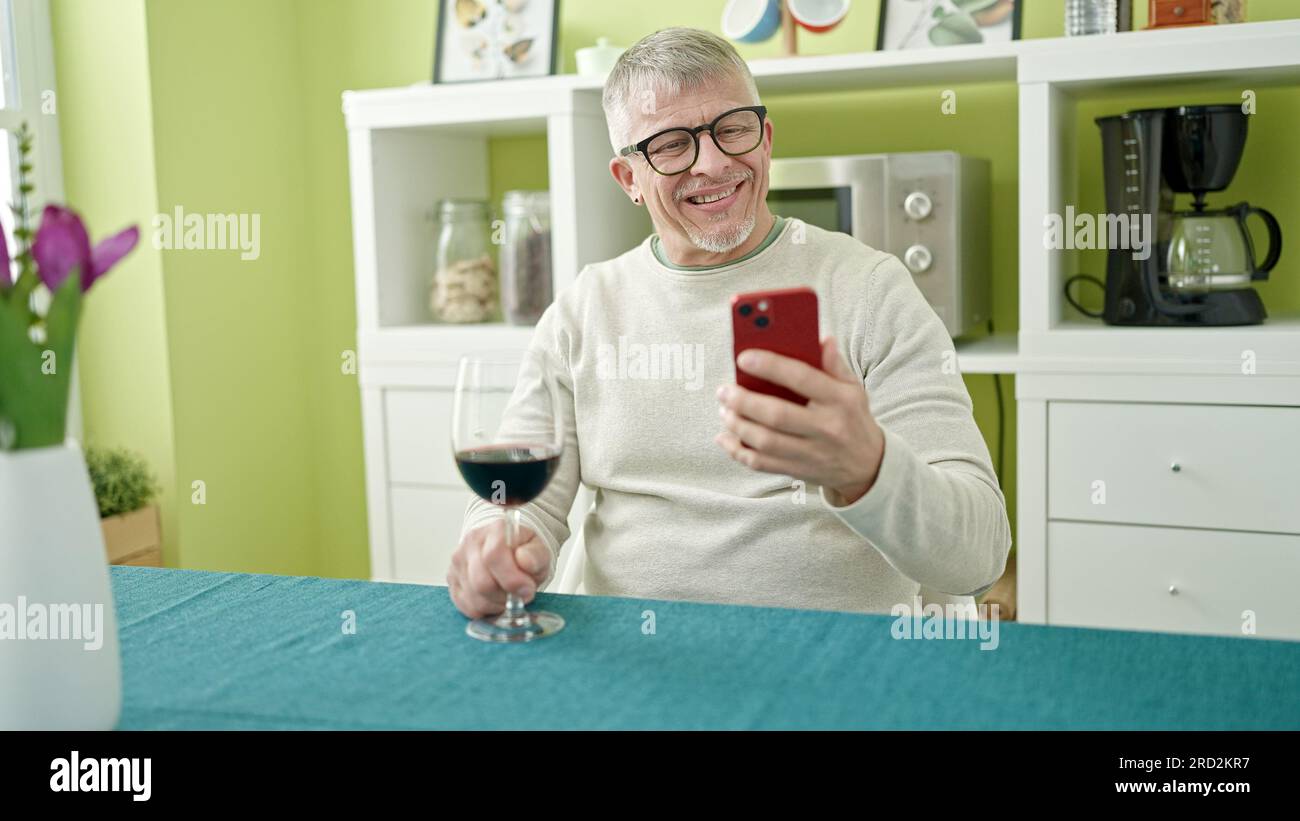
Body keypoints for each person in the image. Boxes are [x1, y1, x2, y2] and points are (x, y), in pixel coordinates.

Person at [447, 27, 1010, 617]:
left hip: (837, 669)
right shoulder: (583, 310)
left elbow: (979, 559)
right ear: (629, 179)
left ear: (766, 139)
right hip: (636, 668)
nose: (713, 163)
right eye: (670, 144)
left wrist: (868, 469)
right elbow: (519, 502)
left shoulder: (872, 289)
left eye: (733, 129)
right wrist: (496, 545)